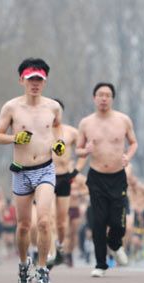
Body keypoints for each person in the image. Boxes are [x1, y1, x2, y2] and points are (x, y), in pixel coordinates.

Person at [0, 57, 64, 283]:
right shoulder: (11, 107)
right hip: (22, 171)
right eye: (31, 79)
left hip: (45, 169)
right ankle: (24, 264)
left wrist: (58, 144)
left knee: (44, 221)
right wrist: (15, 138)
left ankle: (43, 268)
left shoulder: (53, 107)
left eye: (39, 80)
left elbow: (57, 129)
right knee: (23, 225)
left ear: (45, 81)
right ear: (21, 80)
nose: (35, 84)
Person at [76, 82, 138, 277]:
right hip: (96, 177)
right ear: (94, 98)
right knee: (98, 221)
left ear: (112, 98)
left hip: (118, 176)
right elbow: (77, 149)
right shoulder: (86, 123)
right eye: (100, 94)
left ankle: (115, 243)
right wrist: (84, 151)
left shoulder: (123, 120)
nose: (104, 98)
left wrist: (128, 156)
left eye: (107, 95)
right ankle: (101, 264)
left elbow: (134, 142)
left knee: (118, 222)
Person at [51, 98, 84, 267]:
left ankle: (59, 246)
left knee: (61, 222)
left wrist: (76, 170)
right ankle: (48, 250)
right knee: (48, 217)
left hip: (64, 178)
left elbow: (83, 152)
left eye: (58, 111)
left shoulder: (71, 132)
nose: (54, 115)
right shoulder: (41, 131)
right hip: (46, 176)